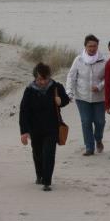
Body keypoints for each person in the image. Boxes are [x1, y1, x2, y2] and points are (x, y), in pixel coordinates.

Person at [19, 62, 70, 191]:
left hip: (51, 127)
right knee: (37, 154)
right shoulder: (30, 90)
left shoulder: (56, 87)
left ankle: (47, 181)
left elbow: (65, 100)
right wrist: (24, 132)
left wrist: (61, 101)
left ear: (49, 76)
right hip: (35, 128)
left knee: (49, 154)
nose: (42, 82)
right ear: (35, 77)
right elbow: (24, 111)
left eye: (45, 79)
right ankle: (39, 176)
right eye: (39, 79)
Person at [66, 34, 106, 156]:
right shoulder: (79, 60)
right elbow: (71, 76)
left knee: (100, 122)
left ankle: (98, 139)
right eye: (90, 46)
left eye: (94, 46)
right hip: (82, 96)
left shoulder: (104, 60)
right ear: (85, 46)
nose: (92, 49)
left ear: (97, 46)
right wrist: (69, 91)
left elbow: (108, 78)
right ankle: (89, 147)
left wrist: (99, 86)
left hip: (99, 97)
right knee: (86, 121)